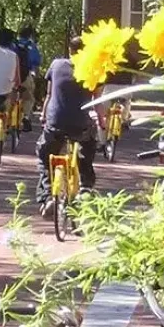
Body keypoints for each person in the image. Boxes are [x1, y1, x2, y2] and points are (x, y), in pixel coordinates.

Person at [36, 37, 104, 219]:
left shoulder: (56, 65)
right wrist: (102, 124)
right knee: (87, 149)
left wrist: (44, 115)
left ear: (69, 49)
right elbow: (97, 102)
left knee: (44, 155)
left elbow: (49, 95)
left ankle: (48, 195)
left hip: (55, 122)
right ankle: (85, 188)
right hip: (81, 124)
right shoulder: (94, 70)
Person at [15, 26, 42, 132]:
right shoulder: (31, 46)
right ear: (30, 36)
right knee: (29, 98)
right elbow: (37, 61)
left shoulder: (13, 44)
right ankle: (26, 117)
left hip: (12, 76)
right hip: (25, 75)